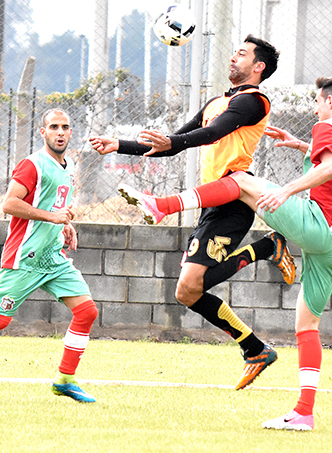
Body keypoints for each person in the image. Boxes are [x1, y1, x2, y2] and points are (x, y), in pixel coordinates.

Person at [117, 77, 332, 431]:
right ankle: (303, 413)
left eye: (317, 101)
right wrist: (302, 146)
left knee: (242, 181)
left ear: (330, 101)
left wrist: (286, 191)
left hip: (321, 226)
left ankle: (161, 205)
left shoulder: (326, 126)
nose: (315, 108)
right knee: (307, 325)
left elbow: (330, 167)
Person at [90, 35, 294, 390]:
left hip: (232, 200)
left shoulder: (254, 102)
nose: (233, 58)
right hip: (210, 203)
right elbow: (170, 143)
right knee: (187, 292)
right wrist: (119, 145)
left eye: (242, 54)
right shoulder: (218, 101)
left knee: (188, 288)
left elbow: (214, 132)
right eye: (234, 52)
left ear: (258, 67)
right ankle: (255, 346)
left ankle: (264, 255)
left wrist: (176, 142)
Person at [0, 109, 99, 403]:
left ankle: (64, 379)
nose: (60, 132)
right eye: (54, 127)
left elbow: (55, 205)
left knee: (86, 311)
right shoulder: (32, 165)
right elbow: (9, 204)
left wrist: (66, 225)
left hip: (53, 257)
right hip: (25, 257)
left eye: (65, 127)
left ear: (71, 132)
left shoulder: (69, 165)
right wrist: (52, 218)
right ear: (43, 132)